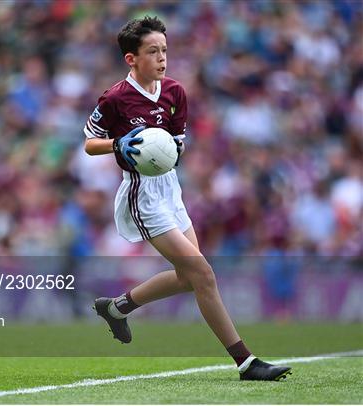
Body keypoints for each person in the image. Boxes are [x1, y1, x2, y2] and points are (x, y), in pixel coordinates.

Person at [84, 16, 291, 381]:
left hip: (171, 190)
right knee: (203, 274)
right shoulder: (115, 98)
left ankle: (116, 308)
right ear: (131, 59)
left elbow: (176, 146)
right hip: (141, 195)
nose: (162, 58)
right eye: (153, 51)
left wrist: (169, 150)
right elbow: (89, 142)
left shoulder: (175, 92)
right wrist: (117, 144)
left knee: (187, 277)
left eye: (165, 50)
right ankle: (246, 362)